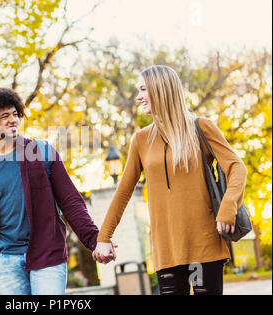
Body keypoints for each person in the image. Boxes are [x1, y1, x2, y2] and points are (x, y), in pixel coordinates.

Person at [92, 65, 247, 295]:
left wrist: (228, 208)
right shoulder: (141, 140)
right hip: (167, 248)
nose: (138, 96)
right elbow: (123, 191)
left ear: (160, 90)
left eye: (143, 89)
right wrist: (103, 237)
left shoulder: (201, 127)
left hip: (205, 243)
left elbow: (236, 167)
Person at [0, 87, 99, 295]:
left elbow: (71, 202)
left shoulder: (42, 152)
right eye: (5, 116)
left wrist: (94, 241)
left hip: (47, 255)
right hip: (6, 261)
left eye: (15, 114)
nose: (13, 120)